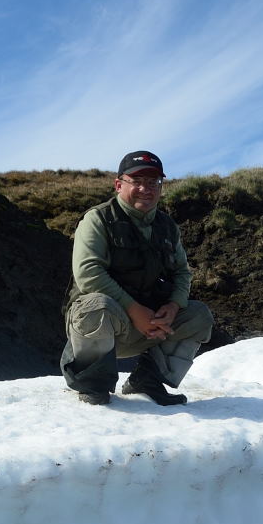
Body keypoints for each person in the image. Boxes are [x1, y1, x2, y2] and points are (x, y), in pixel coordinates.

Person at [61, 149, 214, 407]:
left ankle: (147, 379)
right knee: (95, 306)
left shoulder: (167, 227)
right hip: (106, 323)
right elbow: (88, 273)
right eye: (138, 181)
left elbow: (182, 272)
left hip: (151, 325)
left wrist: (173, 305)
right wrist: (134, 310)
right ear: (119, 184)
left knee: (199, 315)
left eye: (154, 182)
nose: (147, 188)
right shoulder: (97, 219)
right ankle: (93, 384)